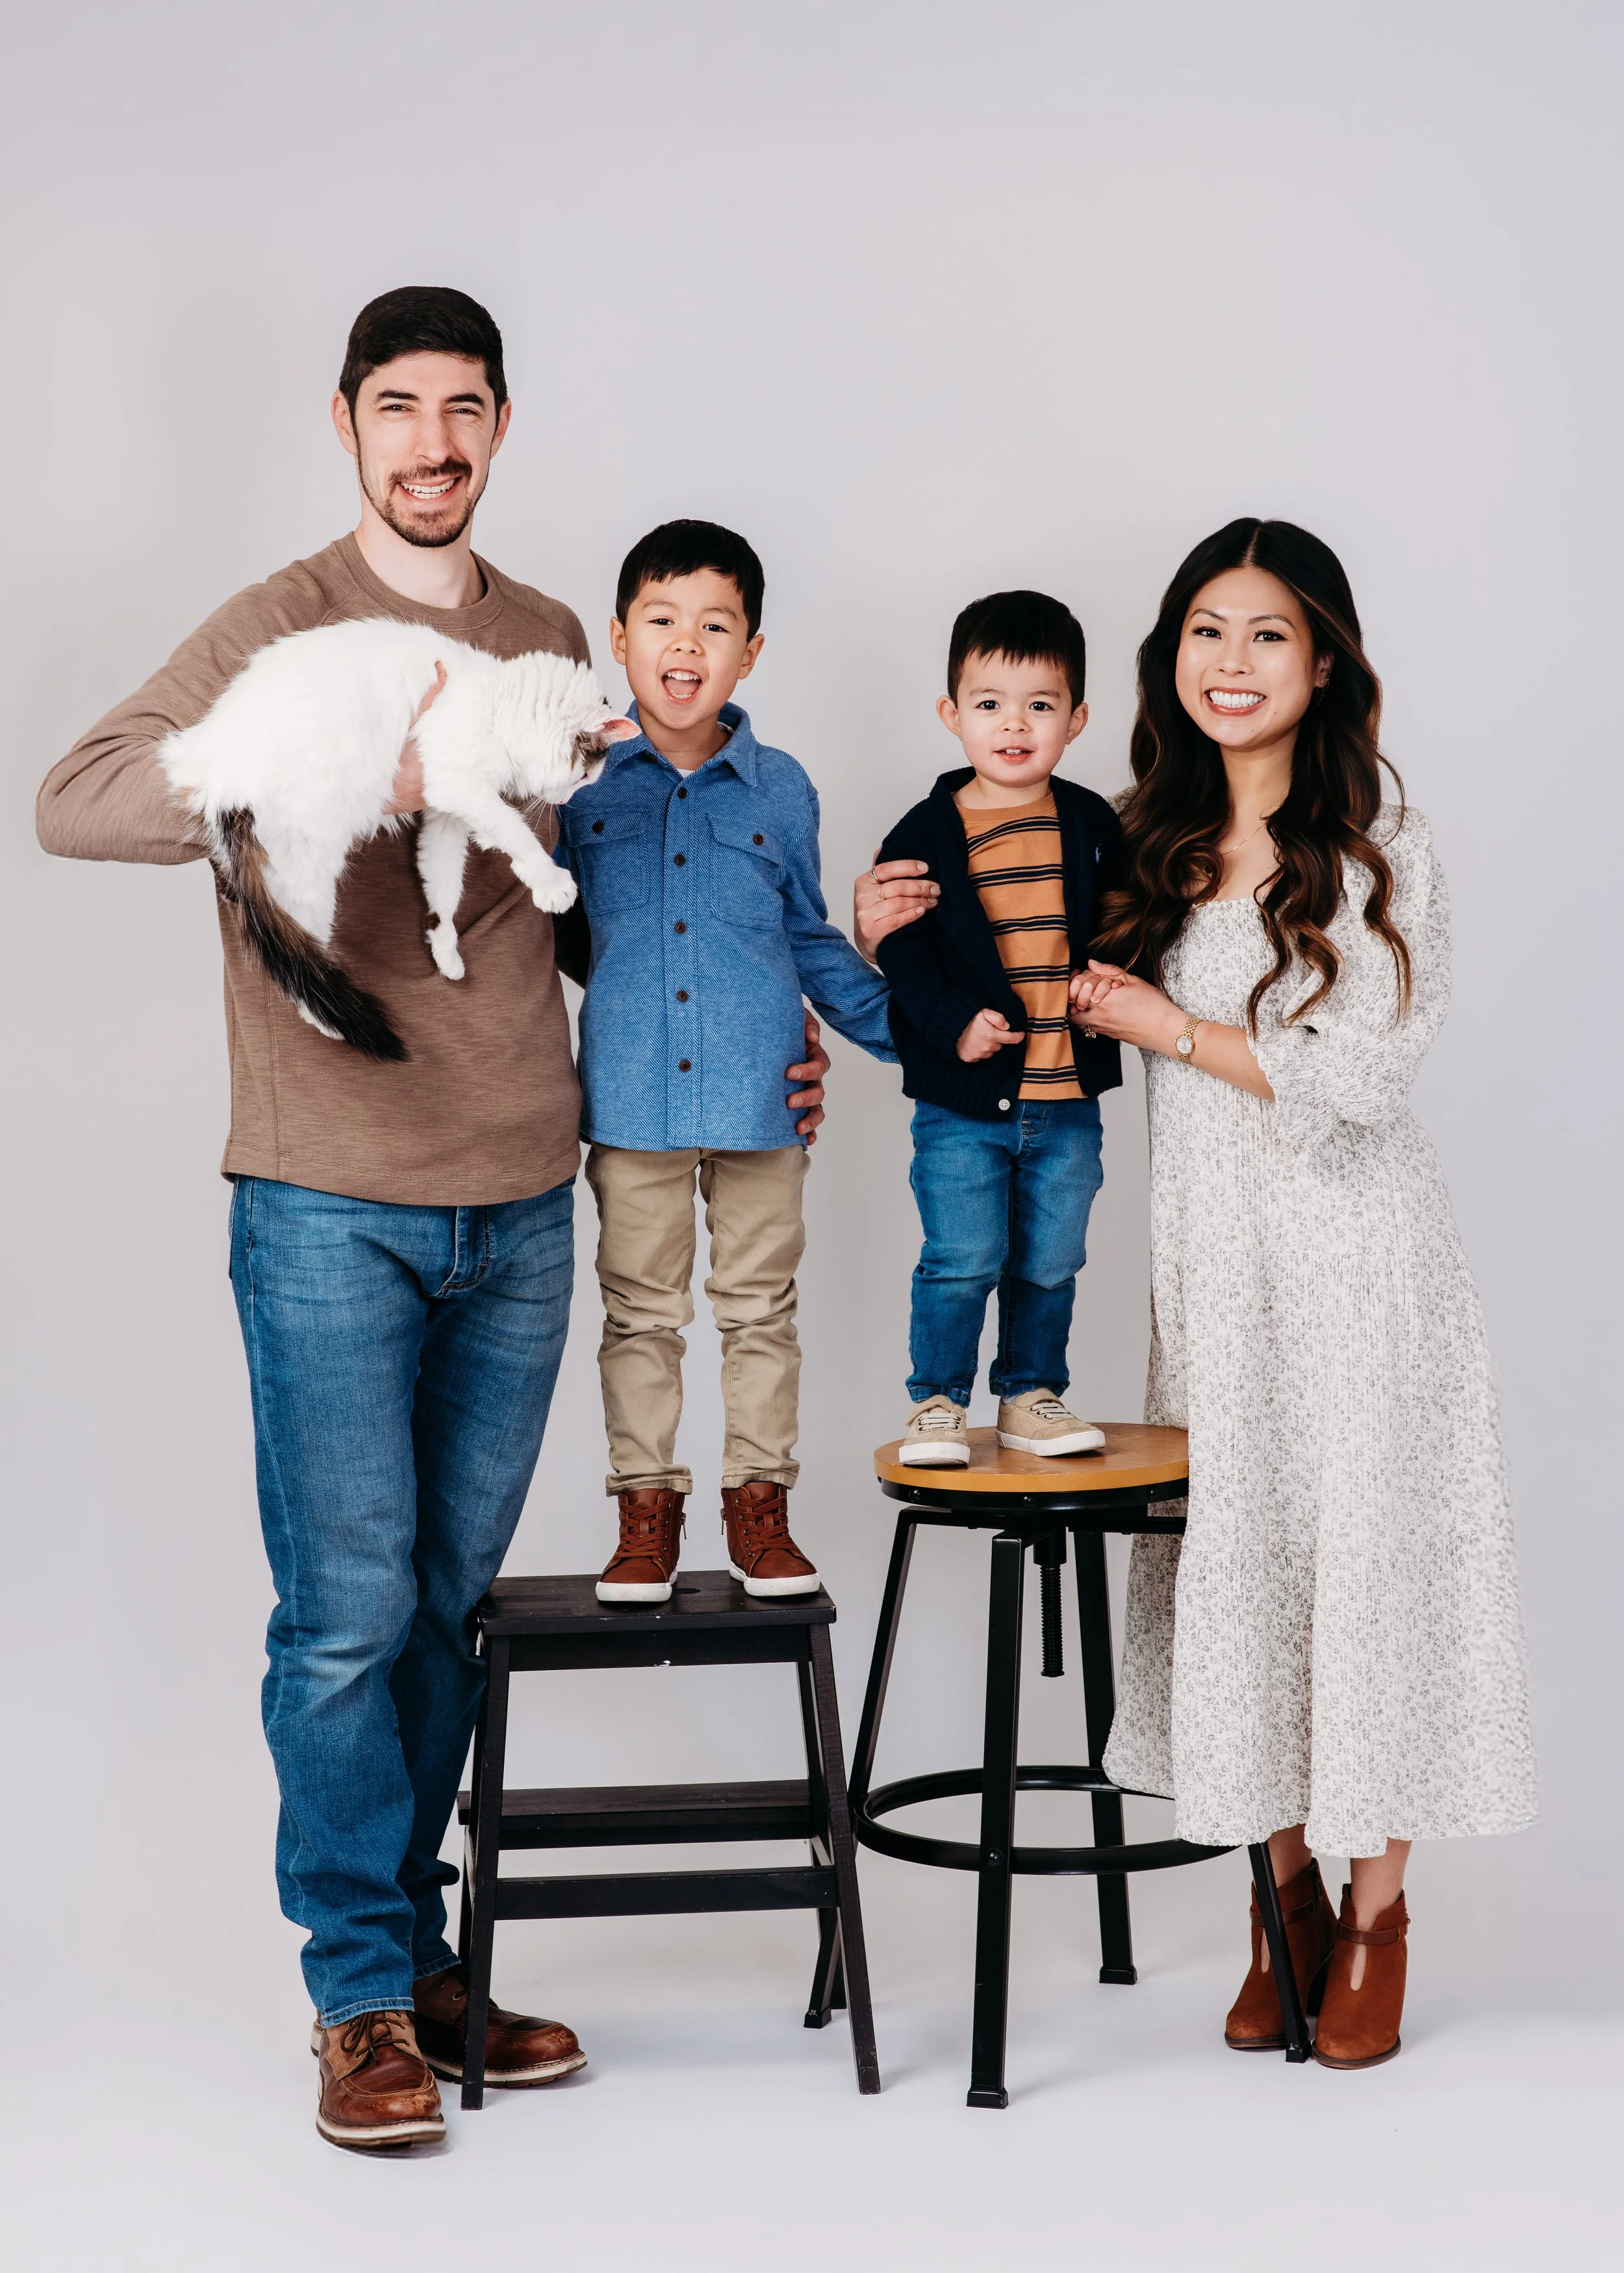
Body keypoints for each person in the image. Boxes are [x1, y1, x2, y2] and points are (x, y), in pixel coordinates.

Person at [35, 288, 830, 2152]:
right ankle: (359, 1998)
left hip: (525, 1197)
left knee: (442, 1617)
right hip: (326, 1197)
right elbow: (70, 799)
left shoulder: (560, 635)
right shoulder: (281, 626)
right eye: (397, 408)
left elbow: (607, 913)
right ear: (344, 425)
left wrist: (764, 1047)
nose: (430, 440)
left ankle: (424, 1959)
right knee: (339, 1618)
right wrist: (347, 771)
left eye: (461, 407)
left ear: (497, 426)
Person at [1063, 517, 1536, 2068]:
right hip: (1211, 1281)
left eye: (1265, 633)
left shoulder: (1375, 838)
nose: (1231, 663)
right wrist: (881, 938)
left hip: (1356, 1269)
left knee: (1363, 1581)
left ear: (1320, 657)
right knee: (1236, 1582)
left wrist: (1167, 1024)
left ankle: (1377, 1912)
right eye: (1206, 630)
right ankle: (1283, 1909)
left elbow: (1364, 1075)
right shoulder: (1147, 835)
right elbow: (1020, 976)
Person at [557, 519, 896, 1606]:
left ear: (751, 650)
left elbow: (803, 933)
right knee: (641, 1314)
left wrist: (912, 1034)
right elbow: (559, 933)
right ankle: (645, 1511)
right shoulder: (581, 783)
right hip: (630, 1100)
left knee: (760, 1309)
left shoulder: (781, 787)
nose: (686, 642)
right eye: (661, 619)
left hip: (761, 1099)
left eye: (716, 623)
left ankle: (760, 1508)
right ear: (620, 637)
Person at [870, 591, 1121, 1467]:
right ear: (952, 714)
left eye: (1040, 705)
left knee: (1052, 1256)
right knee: (962, 1256)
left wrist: (1113, 980)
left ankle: (1030, 1392)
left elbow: (1126, 924)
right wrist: (950, 1024)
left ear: (1077, 718)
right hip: (964, 1102)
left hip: (1067, 1101)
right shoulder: (928, 832)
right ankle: (937, 1399)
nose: (1014, 725)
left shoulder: (1092, 825)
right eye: (990, 704)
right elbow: (900, 948)